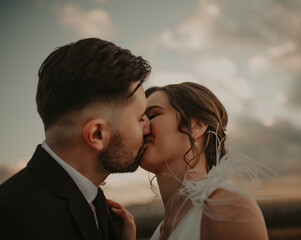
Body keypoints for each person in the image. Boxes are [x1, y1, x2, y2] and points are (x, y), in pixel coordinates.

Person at [0, 38, 148, 240]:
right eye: (140, 118)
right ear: (97, 134)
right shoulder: (12, 218)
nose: (147, 127)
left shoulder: (101, 207)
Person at [113, 82, 269, 239]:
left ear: (197, 125)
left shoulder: (227, 207)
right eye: (140, 119)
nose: (143, 127)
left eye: (153, 115)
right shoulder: (160, 231)